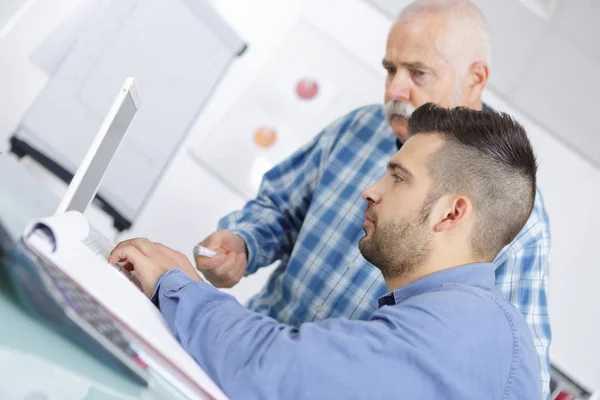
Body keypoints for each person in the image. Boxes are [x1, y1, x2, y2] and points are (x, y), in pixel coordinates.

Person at [199, 0, 552, 395]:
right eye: (390, 69)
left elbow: (520, 366)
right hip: (246, 352)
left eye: (418, 72)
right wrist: (243, 242)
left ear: (475, 79)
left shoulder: (515, 213)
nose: (395, 89)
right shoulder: (358, 126)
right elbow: (280, 209)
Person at [110, 104, 542, 399]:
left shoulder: (454, 329)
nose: (369, 191)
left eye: (397, 178)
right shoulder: (479, 318)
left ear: (451, 214)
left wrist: (178, 286)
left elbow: (278, 371)